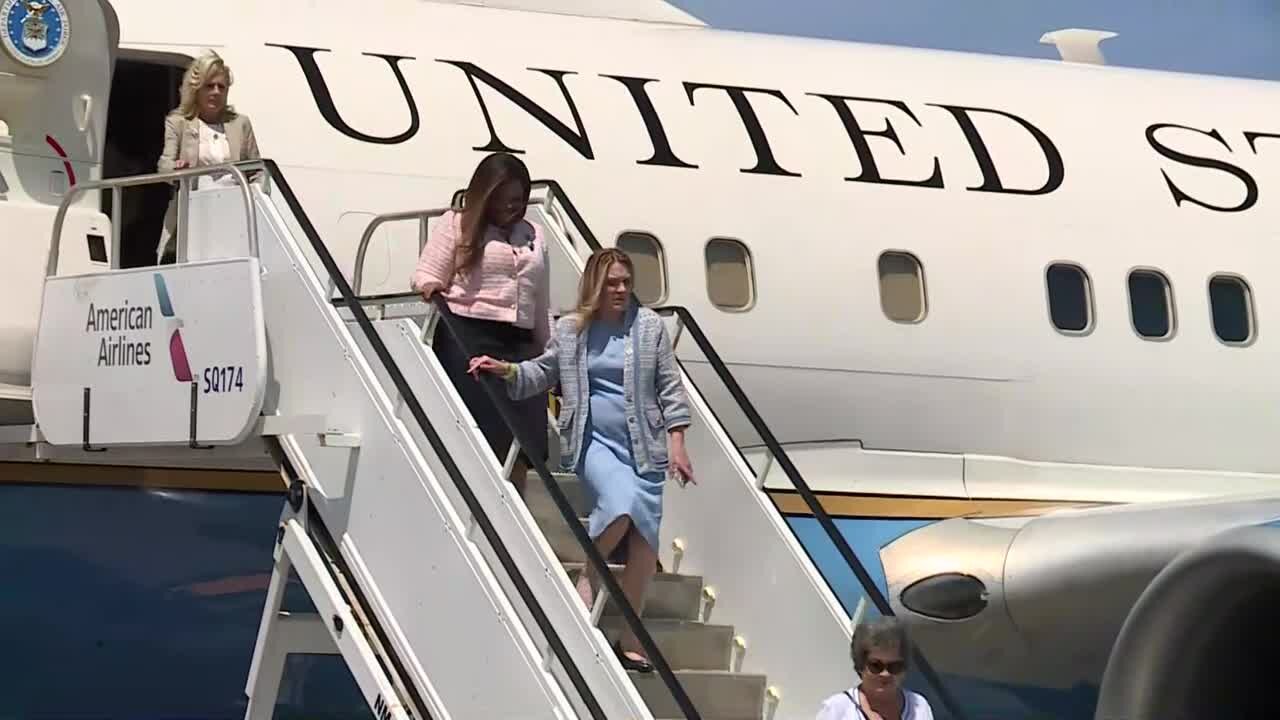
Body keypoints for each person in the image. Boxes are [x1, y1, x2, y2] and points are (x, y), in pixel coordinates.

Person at [468, 248, 695, 672]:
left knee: (645, 548)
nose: (621, 289)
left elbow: (669, 387)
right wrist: (507, 371)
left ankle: (630, 638)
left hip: (644, 446)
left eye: (626, 282)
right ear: (594, 285)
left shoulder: (648, 328)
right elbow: (545, 370)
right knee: (621, 505)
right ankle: (588, 579)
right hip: (595, 442)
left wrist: (677, 444)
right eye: (612, 283)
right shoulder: (571, 329)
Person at [412, 152, 551, 496]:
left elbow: (541, 299)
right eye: (502, 200)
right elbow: (425, 273)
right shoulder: (457, 224)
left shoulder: (534, 233)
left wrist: (551, 354)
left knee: (522, 442)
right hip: (470, 338)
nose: (510, 208)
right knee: (483, 439)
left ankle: (515, 521)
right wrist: (430, 288)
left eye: (517, 201)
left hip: (520, 346)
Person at [156, 50, 261, 264]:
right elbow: (164, 166)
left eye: (221, 87)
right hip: (194, 215)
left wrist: (257, 197)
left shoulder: (240, 123)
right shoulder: (178, 122)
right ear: (196, 88)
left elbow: (257, 170)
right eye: (209, 86)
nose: (216, 92)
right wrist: (177, 170)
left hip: (233, 215)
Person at [816, 617, 936, 720]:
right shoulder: (836, 709)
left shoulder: (920, 706)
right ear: (861, 665)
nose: (885, 674)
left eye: (894, 667)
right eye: (876, 666)